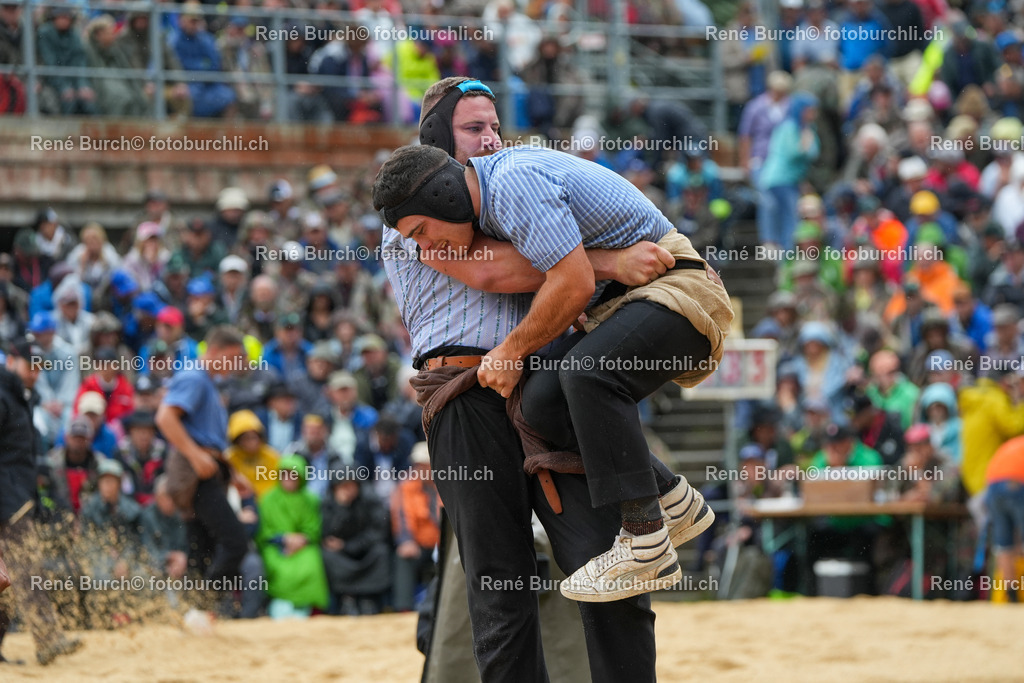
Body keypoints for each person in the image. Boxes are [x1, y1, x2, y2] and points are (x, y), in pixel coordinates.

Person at [380, 76, 696, 681]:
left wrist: (581, 268)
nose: (491, 138)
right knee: (501, 591)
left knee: (613, 570)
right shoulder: (412, 213)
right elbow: (498, 271)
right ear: (438, 142)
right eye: (475, 128)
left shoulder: (517, 193)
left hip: (547, 392)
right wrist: (606, 263)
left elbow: (553, 266)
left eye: (496, 125)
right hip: (467, 400)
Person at [374, 140, 732, 601]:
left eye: (421, 229)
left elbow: (575, 281)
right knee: (542, 402)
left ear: (443, 195)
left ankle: (646, 542)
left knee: (586, 372)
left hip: (677, 287)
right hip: (630, 303)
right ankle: (672, 498)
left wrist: (509, 351)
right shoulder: (487, 203)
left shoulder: (510, 182)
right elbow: (502, 274)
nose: (423, 245)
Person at [0, 337, 81, 664]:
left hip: (19, 499)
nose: (35, 373)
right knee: (26, 571)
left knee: (11, 578)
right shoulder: (5, 397)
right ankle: (48, 640)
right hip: (8, 503)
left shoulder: (21, 398)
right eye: (29, 365)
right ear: (11, 361)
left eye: (38, 367)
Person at [155, 326, 249, 605]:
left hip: (202, 469)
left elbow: (208, 439)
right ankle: (203, 605)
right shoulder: (195, 378)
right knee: (235, 542)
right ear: (216, 352)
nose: (235, 367)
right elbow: (165, 418)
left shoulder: (205, 381)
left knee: (201, 548)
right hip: (194, 472)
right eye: (232, 359)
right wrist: (195, 456)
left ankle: (189, 612)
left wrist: (231, 473)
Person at [257, 455, 330, 619]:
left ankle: (312, 611)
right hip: (276, 547)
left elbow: (314, 526)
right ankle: (277, 606)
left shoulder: (310, 499)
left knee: (312, 563)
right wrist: (283, 539)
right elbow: (263, 531)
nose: (289, 479)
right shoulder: (268, 499)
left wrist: (302, 539)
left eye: (293, 475)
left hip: (304, 546)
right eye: (285, 474)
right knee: (277, 566)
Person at [985, 435, 1024, 602]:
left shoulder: (1011, 444)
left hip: (993, 485)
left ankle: (1011, 596)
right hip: (1017, 481)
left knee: (1003, 543)